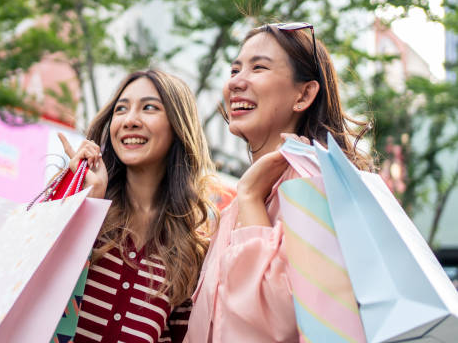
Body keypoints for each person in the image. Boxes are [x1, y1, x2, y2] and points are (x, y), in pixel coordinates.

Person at [185, 22, 372, 342]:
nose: (236, 83)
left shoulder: (313, 187)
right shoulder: (245, 199)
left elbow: (278, 322)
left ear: (304, 94)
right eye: (234, 70)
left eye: (259, 67)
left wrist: (250, 199)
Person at [59, 69, 218, 343]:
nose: (130, 120)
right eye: (121, 109)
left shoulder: (190, 252)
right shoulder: (80, 204)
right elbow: (41, 294)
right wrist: (89, 204)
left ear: (178, 126)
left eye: (149, 108)